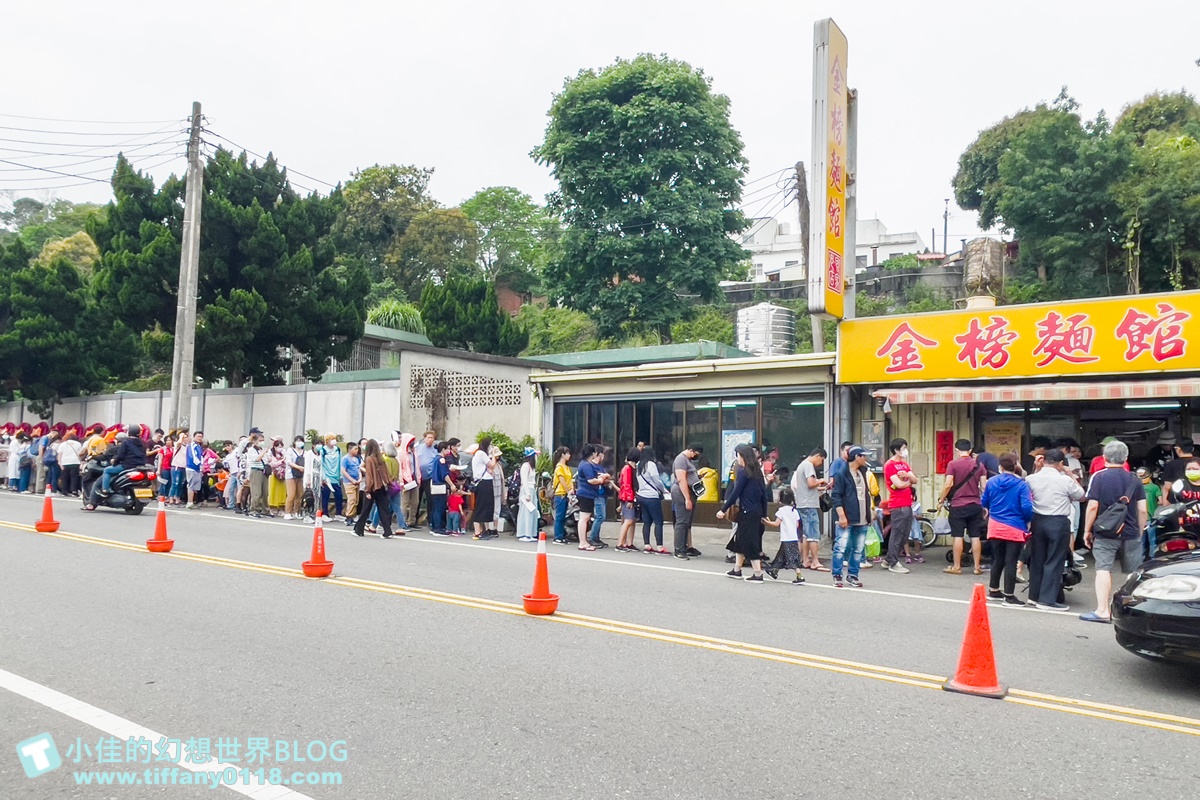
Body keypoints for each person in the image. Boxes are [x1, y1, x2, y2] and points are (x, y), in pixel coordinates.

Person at [1081, 439, 1147, 624]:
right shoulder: (1134, 479)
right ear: (1126, 458)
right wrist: (1139, 531)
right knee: (1133, 573)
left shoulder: (1099, 477)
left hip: (1106, 532)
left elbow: (1093, 506)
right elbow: (1142, 509)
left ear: (1104, 458)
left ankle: (1102, 610)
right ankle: (1132, 613)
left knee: (1103, 568)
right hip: (1131, 531)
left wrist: (1087, 530)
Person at [1025, 448, 1086, 610]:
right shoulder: (1064, 480)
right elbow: (1081, 495)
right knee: (1055, 560)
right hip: (1058, 522)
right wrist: (1071, 475)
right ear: (1060, 463)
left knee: (1038, 559)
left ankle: (1034, 596)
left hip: (1037, 521)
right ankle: (1047, 600)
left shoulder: (1031, 478)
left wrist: (1037, 468)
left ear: (1043, 460)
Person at [980, 453, 1033, 606]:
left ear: (1000, 467)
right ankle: (1009, 596)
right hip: (1015, 526)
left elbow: (984, 501)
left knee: (997, 559)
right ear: (1016, 465)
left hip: (995, 525)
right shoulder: (1021, 484)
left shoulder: (991, 482)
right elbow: (1027, 507)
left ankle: (994, 590)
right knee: (1011, 561)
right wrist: (1027, 520)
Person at [717, 444, 769, 583]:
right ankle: (737, 569)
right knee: (739, 540)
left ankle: (758, 574)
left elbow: (735, 493)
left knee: (750, 542)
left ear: (743, 456)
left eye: (738, 455)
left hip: (747, 511)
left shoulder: (743, 472)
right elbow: (764, 495)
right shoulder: (757, 472)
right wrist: (764, 513)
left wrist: (723, 509)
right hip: (755, 511)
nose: (737, 458)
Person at [940, 439, 988, 576]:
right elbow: (984, 487)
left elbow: (948, 484)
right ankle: (977, 567)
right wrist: (984, 505)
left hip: (958, 505)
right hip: (975, 505)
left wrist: (941, 500)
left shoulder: (953, 464)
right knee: (975, 536)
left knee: (958, 536)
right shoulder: (980, 465)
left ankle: (956, 566)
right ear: (970, 450)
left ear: (956, 450)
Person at [830, 446, 872, 588]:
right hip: (847, 517)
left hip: (862, 517)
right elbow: (836, 496)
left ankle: (853, 575)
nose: (866, 459)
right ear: (856, 457)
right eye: (864, 456)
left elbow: (866, 494)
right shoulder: (842, 473)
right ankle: (837, 575)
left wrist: (869, 514)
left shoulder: (863, 472)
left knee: (858, 549)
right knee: (840, 547)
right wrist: (842, 516)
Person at [790, 447, 828, 570]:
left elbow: (808, 486)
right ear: (817, 456)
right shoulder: (808, 465)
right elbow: (811, 483)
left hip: (802, 502)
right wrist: (820, 480)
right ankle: (815, 561)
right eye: (821, 460)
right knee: (813, 534)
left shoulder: (801, 465)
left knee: (806, 534)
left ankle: (805, 559)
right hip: (809, 504)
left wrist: (822, 487)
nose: (820, 463)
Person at [882, 438, 915, 574]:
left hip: (907, 503)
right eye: (903, 448)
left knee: (905, 533)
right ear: (896, 450)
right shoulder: (890, 465)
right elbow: (899, 485)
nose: (905, 451)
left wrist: (908, 477)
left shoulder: (905, 465)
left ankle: (888, 559)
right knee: (897, 534)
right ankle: (894, 563)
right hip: (897, 504)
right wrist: (909, 481)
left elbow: (915, 479)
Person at [763, 487, 805, 585]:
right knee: (782, 556)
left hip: (786, 537)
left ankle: (799, 576)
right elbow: (797, 525)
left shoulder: (781, 511)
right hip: (793, 537)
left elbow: (776, 524)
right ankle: (774, 571)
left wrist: (767, 522)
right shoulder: (794, 511)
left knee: (792, 558)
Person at [353, 439, 394, 538]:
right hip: (382, 487)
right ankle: (387, 531)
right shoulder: (381, 459)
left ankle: (359, 530)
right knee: (383, 509)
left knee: (366, 509)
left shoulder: (369, 459)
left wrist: (367, 490)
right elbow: (386, 474)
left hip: (373, 487)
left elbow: (370, 476)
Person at [670, 443, 704, 561]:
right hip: (682, 493)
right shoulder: (681, 459)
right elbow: (681, 479)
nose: (695, 456)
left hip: (690, 492)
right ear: (691, 450)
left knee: (687, 522)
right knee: (682, 522)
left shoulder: (687, 460)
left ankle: (685, 547)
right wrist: (687, 498)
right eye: (695, 454)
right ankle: (679, 549)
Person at [574, 444, 608, 551]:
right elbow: (590, 480)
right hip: (586, 494)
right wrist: (600, 480)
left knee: (584, 518)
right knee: (584, 519)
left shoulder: (584, 464)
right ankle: (583, 542)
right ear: (592, 453)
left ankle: (583, 541)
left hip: (585, 494)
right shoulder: (586, 465)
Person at [98, 423, 148, 497]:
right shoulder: (143, 442)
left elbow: (120, 455)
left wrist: (115, 461)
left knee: (107, 470)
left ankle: (105, 490)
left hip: (127, 465)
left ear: (129, 432)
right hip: (140, 466)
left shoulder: (126, 442)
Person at [635, 448, 669, 554]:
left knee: (647, 521)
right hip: (652, 496)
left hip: (641, 495)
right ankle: (659, 546)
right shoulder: (651, 465)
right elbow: (657, 480)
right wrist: (664, 490)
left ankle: (647, 545)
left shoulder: (639, 465)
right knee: (658, 521)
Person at [471, 437, 499, 540]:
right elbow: (492, 466)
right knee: (482, 506)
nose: (491, 447)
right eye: (490, 445)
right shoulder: (481, 454)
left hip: (482, 481)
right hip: (484, 482)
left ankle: (481, 530)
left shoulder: (479, 454)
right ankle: (477, 531)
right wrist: (493, 455)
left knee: (485, 506)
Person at [616, 448, 641, 552]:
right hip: (627, 498)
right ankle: (620, 543)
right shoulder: (628, 468)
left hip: (626, 497)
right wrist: (630, 499)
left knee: (631, 520)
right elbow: (627, 485)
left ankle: (628, 543)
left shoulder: (629, 467)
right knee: (629, 520)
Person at [428, 441, 454, 536]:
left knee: (435, 507)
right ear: (443, 449)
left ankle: (434, 526)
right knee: (439, 507)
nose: (448, 451)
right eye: (447, 449)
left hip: (434, 484)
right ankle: (438, 528)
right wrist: (451, 484)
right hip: (440, 485)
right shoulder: (442, 460)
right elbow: (445, 475)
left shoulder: (436, 458)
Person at [414, 430, 439, 525]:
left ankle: (430, 519)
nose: (429, 440)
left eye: (431, 438)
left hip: (429, 478)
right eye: (428, 438)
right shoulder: (418, 448)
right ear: (424, 439)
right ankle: (414, 519)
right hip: (418, 477)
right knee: (417, 499)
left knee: (430, 499)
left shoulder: (435, 450)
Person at [516, 446, 540, 543]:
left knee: (532, 512)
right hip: (527, 490)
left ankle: (530, 533)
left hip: (532, 489)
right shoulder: (525, 466)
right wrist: (527, 493)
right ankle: (524, 533)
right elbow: (524, 480)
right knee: (526, 512)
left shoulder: (531, 467)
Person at [398, 433, 421, 530]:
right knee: (405, 502)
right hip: (405, 480)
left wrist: (418, 478)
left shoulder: (414, 452)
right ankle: (402, 522)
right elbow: (399, 468)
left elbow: (417, 466)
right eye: (411, 441)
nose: (412, 443)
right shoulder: (401, 453)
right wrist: (401, 481)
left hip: (414, 479)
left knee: (415, 501)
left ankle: (411, 521)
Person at [1137, 467, 1162, 560]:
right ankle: (1153, 559)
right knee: (1153, 541)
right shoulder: (1155, 487)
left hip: (1139, 518)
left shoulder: (1136, 487)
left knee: (1140, 541)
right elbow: (1161, 501)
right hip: (1152, 518)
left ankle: (1140, 559)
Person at [550, 447, 572, 545]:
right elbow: (562, 482)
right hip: (560, 494)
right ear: (563, 454)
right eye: (567, 453)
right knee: (559, 516)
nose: (569, 455)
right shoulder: (559, 467)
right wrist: (568, 491)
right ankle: (557, 537)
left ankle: (561, 535)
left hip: (565, 494)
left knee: (563, 516)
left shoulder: (566, 467)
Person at [284, 435, 306, 520]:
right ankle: (288, 512)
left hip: (301, 475)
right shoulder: (290, 450)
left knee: (299, 495)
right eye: (297, 440)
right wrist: (298, 467)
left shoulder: (305, 452)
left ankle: (296, 511)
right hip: (291, 475)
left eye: (301, 441)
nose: (299, 442)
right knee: (291, 495)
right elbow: (288, 462)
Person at [57, 431, 83, 496]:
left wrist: (60, 463)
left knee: (64, 478)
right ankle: (74, 490)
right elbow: (80, 454)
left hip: (65, 462)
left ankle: (64, 491)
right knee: (74, 477)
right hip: (75, 462)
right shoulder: (78, 444)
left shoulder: (63, 444)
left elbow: (59, 454)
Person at [184, 431, 205, 509]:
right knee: (191, 486)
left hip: (197, 469)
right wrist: (199, 465)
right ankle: (189, 502)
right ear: (194, 437)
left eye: (201, 436)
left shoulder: (198, 446)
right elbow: (193, 456)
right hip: (192, 468)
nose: (200, 438)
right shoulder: (192, 445)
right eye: (198, 436)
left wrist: (201, 465)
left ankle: (192, 502)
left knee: (195, 486)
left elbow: (201, 456)